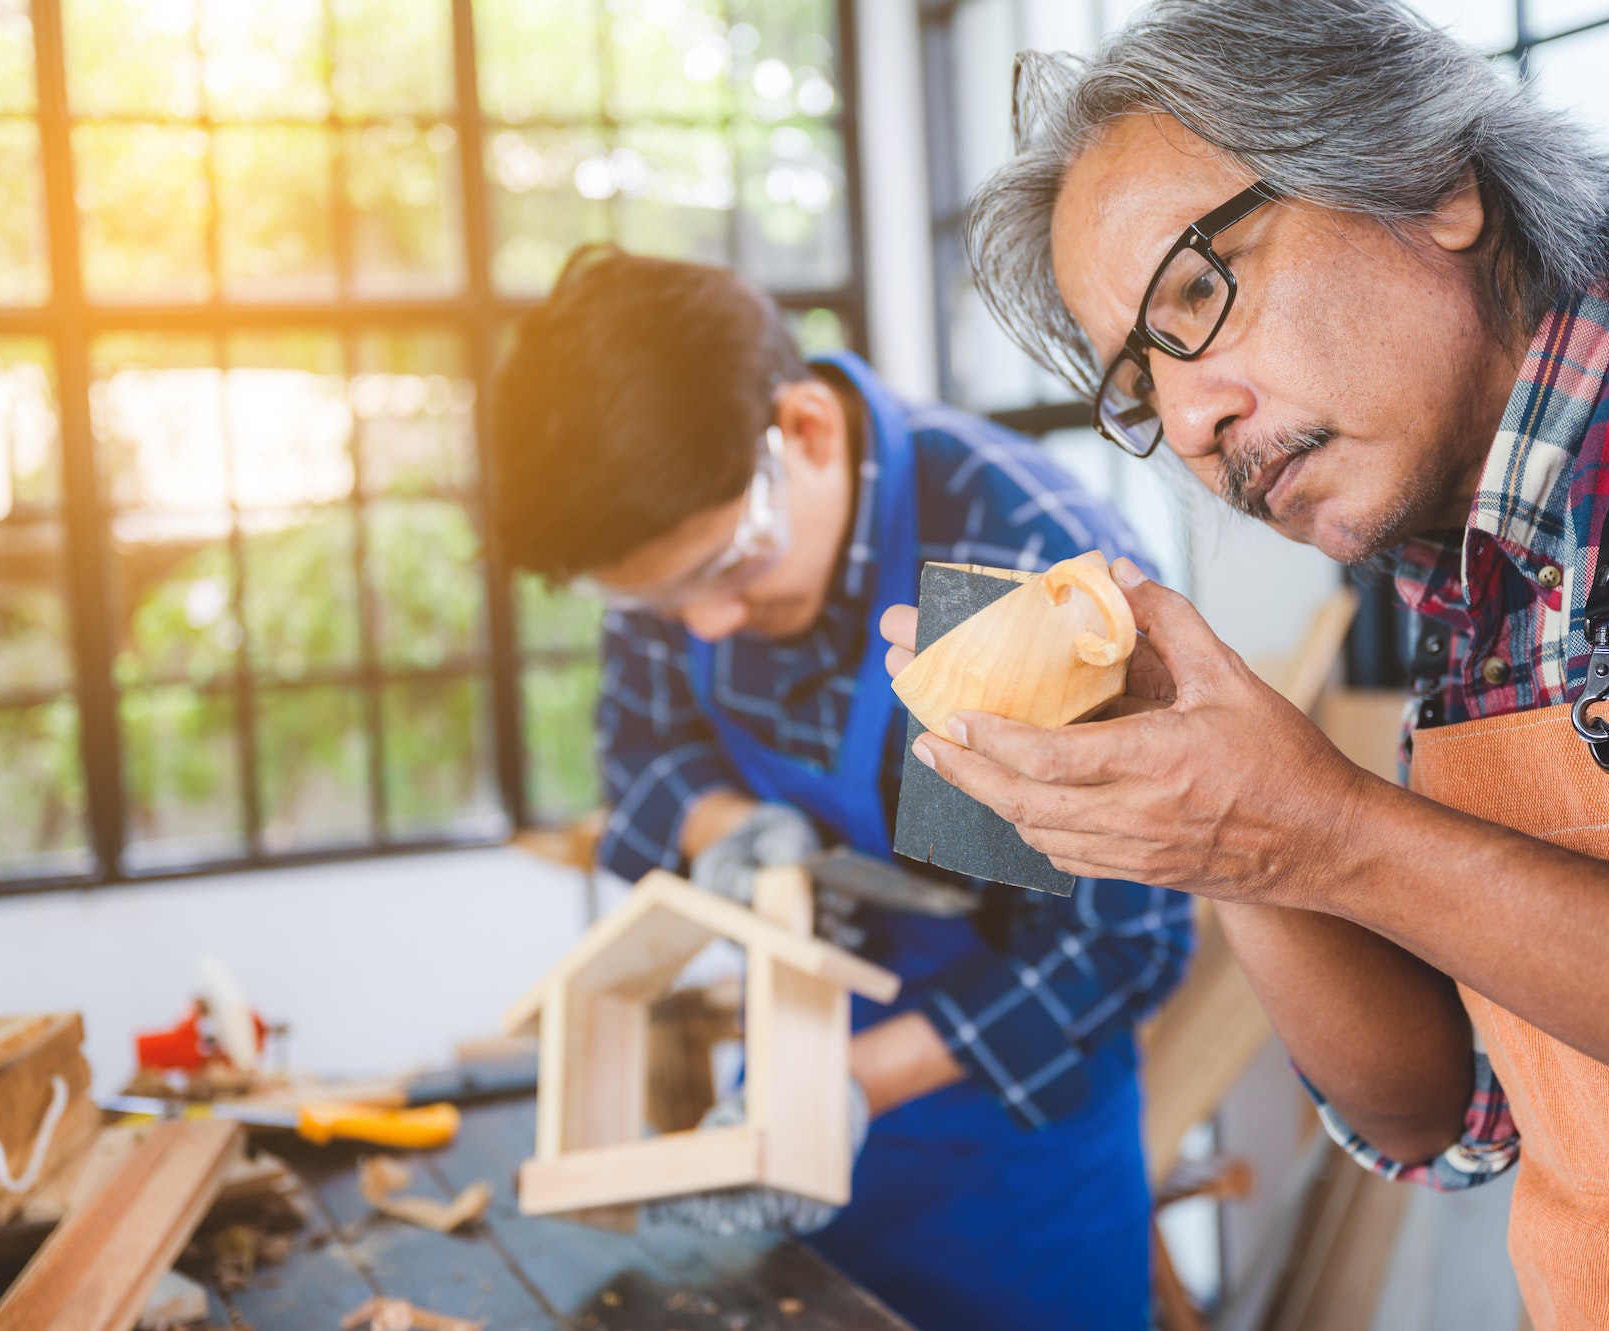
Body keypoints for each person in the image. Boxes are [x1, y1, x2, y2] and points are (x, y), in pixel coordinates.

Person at [886, 1, 1609, 1326]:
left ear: (1431, 181)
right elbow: (1440, 1106)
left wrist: (1329, 829)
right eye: (1141, 386)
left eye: (1198, 293)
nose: (1193, 420)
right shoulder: (1468, 565)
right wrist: (1213, 834)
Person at [488, 245, 1191, 1331]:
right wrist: (729, 824)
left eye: (725, 571)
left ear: (805, 431)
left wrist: (850, 1084)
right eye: (658, 601)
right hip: (797, 1115)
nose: (704, 623)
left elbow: (1124, 936)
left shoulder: (1006, 566)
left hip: (1007, 1162)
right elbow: (643, 745)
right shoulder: (680, 531)